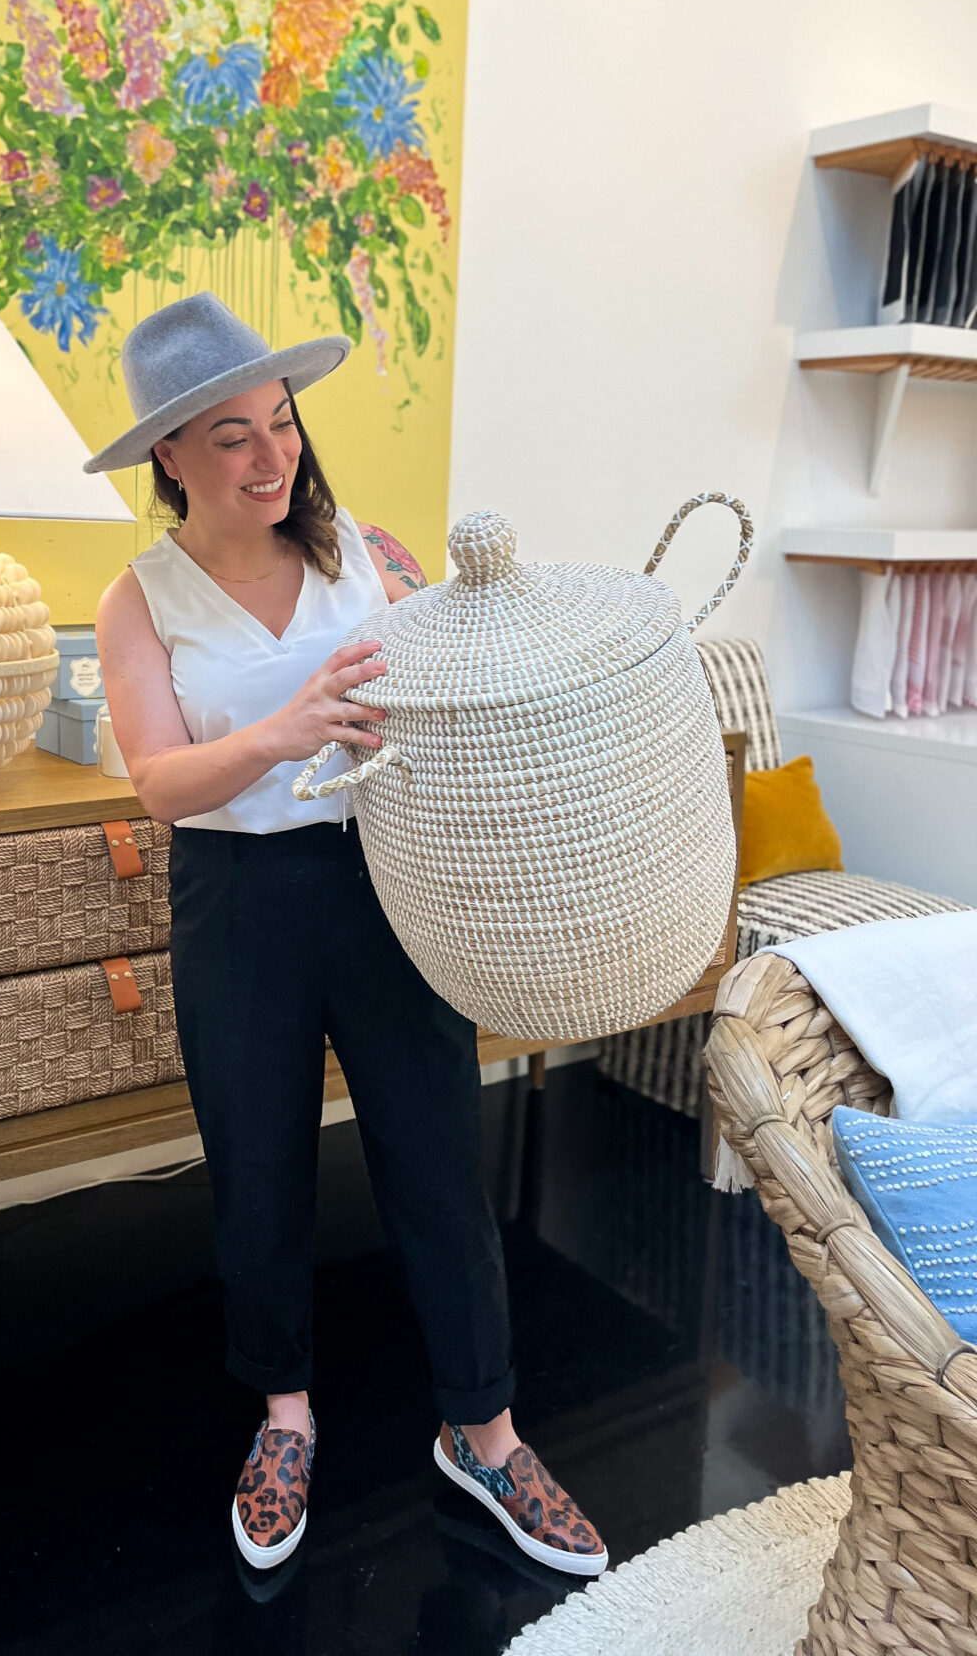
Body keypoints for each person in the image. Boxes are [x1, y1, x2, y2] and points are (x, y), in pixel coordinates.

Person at [88, 293, 605, 1578]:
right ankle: (285, 1419)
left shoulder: (362, 558)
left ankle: (483, 1434)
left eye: (282, 426)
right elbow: (158, 783)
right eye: (232, 438)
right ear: (170, 456)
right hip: (237, 901)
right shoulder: (138, 599)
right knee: (256, 1173)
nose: (272, 460)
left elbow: (436, 690)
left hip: (383, 883)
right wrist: (284, 728)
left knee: (436, 1158)